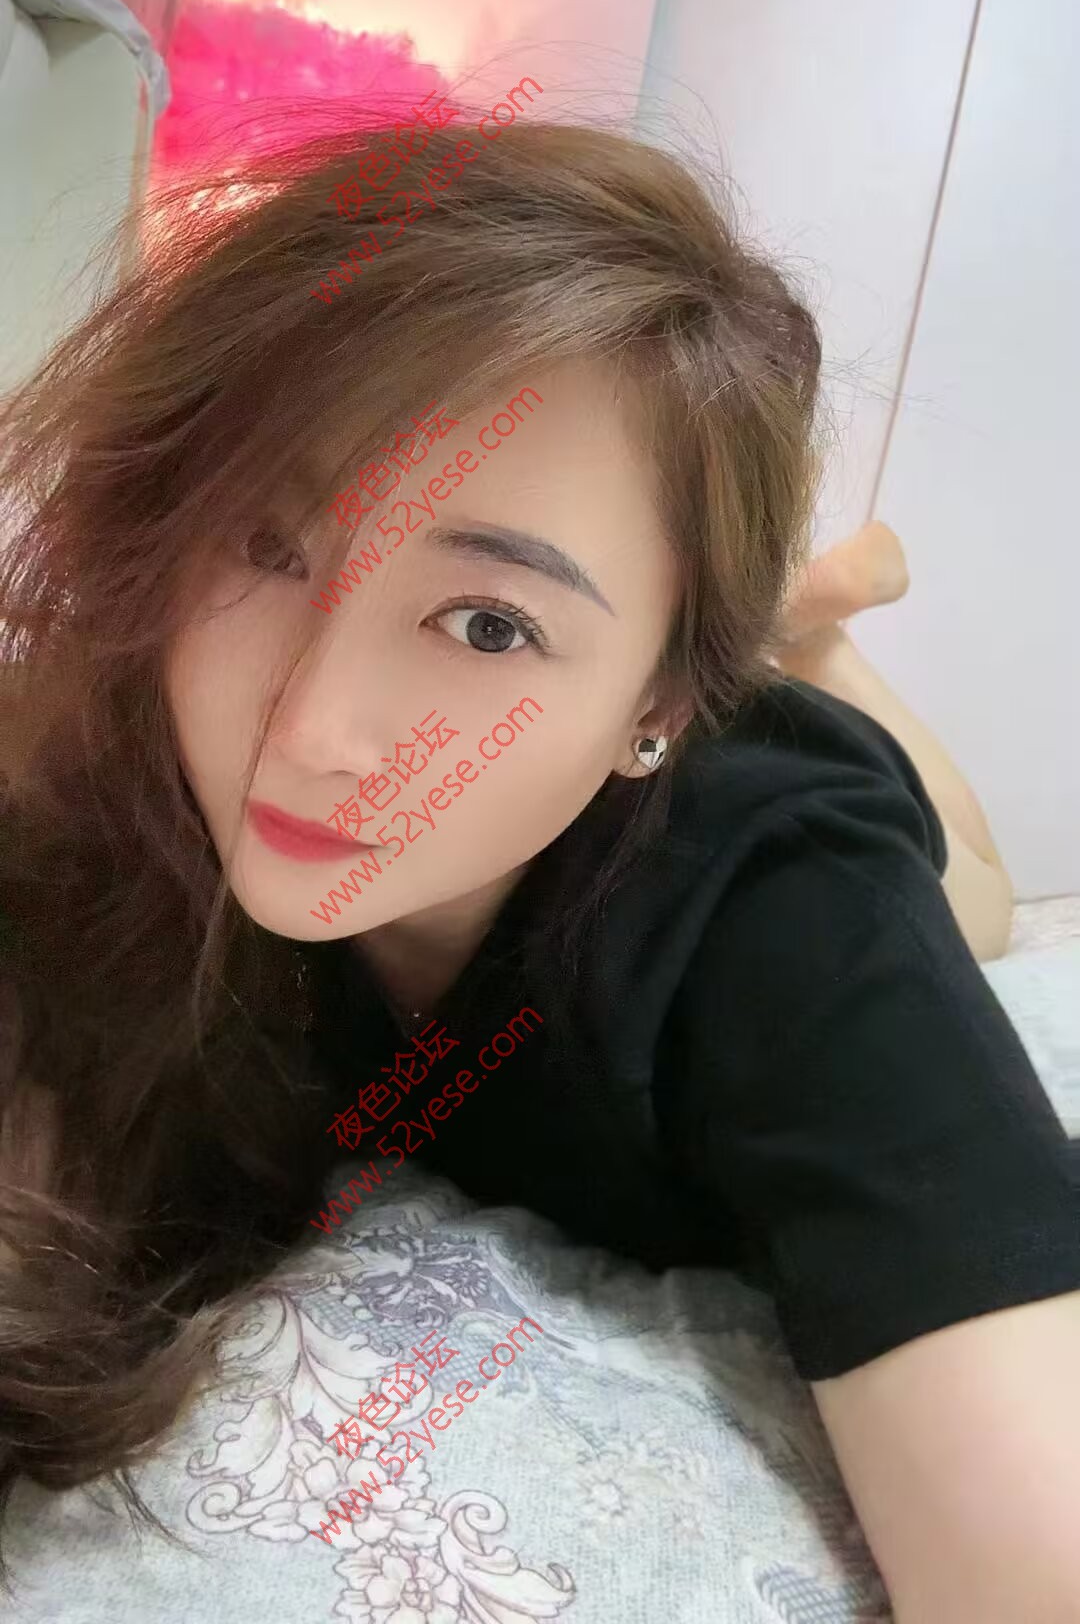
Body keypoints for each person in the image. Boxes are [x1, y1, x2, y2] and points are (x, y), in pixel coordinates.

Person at [1, 116, 1077, 1619]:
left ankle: (812, 633)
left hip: (814, 784)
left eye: (489, 624)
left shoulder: (788, 909)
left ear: (655, 701)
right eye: (266, 543)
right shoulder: (109, 763)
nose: (310, 734)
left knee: (978, 888)